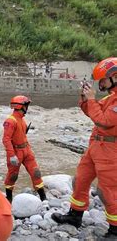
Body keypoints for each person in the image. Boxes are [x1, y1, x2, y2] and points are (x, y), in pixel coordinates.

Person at [52, 57, 117, 238]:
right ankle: (75, 216)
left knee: (108, 191)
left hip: (110, 151)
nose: (101, 83)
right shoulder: (111, 98)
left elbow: (103, 122)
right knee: (79, 180)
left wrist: (91, 99)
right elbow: (93, 111)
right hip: (96, 146)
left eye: (103, 79)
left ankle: (115, 229)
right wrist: (85, 98)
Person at [2, 95, 46, 202]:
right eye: (26, 105)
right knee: (13, 176)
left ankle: (43, 198)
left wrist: (28, 149)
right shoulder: (11, 121)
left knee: (36, 173)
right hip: (16, 152)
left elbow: (22, 135)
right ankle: (9, 199)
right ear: (20, 106)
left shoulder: (21, 119)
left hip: (26, 150)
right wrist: (12, 155)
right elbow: (6, 140)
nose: (27, 107)